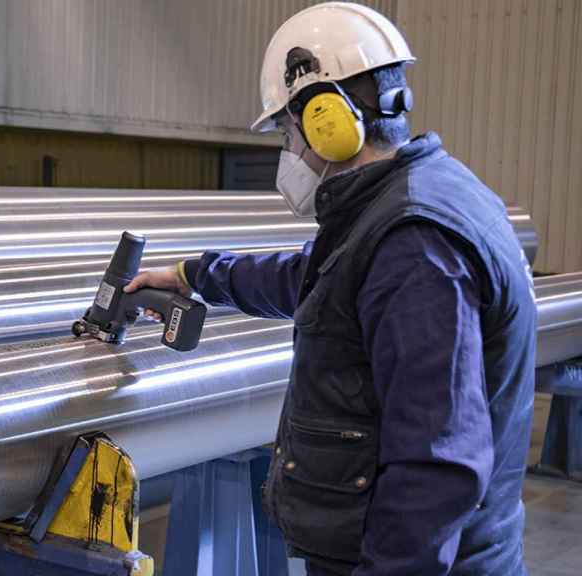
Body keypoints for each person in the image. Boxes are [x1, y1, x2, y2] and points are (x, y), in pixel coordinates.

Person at [125, 3, 537, 575]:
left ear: (327, 118)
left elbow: (435, 468)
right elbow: (314, 279)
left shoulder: (413, 248)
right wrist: (196, 275)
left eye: (288, 132)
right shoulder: (409, 201)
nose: (290, 151)